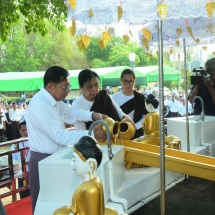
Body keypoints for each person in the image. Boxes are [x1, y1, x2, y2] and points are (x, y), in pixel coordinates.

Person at [25, 66, 106, 213]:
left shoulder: (54, 101)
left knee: (58, 200)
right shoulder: (40, 105)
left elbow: (71, 113)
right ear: (50, 86)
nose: (68, 90)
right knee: (42, 204)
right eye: (65, 87)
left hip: (55, 158)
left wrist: (92, 115)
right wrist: (92, 134)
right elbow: (60, 136)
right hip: (43, 161)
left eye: (68, 86)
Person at [53, 135, 118, 215]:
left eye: (74, 160)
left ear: (91, 164)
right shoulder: (94, 180)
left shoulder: (91, 189)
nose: (71, 163)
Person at [111, 68, 148, 139]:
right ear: (121, 81)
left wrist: (135, 127)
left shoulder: (140, 98)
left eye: (130, 81)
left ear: (134, 81)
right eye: (125, 81)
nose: (127, 84)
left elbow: (145, 116)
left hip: (136, 134)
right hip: (119, 135)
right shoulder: (113, 98)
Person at [10, 121, 30, 199]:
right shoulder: (16, 144)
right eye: (23, 130)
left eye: (27, 129)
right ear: (19, 131)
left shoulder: (35, 141)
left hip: (33, 173)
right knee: (23, 196)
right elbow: (13, 160)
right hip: (21, 175)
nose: (25, 132)